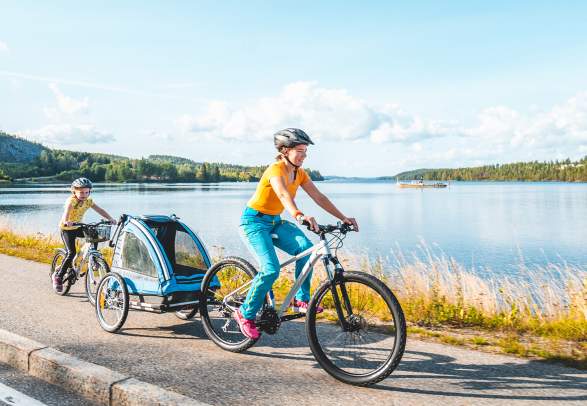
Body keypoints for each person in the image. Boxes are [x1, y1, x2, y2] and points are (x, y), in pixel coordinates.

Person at [234, 128, 359, 339]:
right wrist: (299, 215)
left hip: (275, 221)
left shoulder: (299, 173)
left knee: (307, 250)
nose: (303, 155)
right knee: (271, 269)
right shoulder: (275, 170)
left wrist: (344, 217)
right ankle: (244, 313)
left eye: (305, 151)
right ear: (284, 150)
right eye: (299, 150)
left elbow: (319, 197)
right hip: (254, 222)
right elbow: (283, 195)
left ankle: (300, 300)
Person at [52, 177, 116, 293]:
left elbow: (100, 210)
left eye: (86, 192)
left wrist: (110, 218)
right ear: (74, 192)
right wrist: (67, 220)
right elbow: (67, 211)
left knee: (94, 233)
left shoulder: (88, 201)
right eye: (81, 192)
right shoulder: (71, 201)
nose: (84, 195)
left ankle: (94, 258)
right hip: (67, 228)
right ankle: (58, 277)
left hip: (78, 226)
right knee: (71, 252)